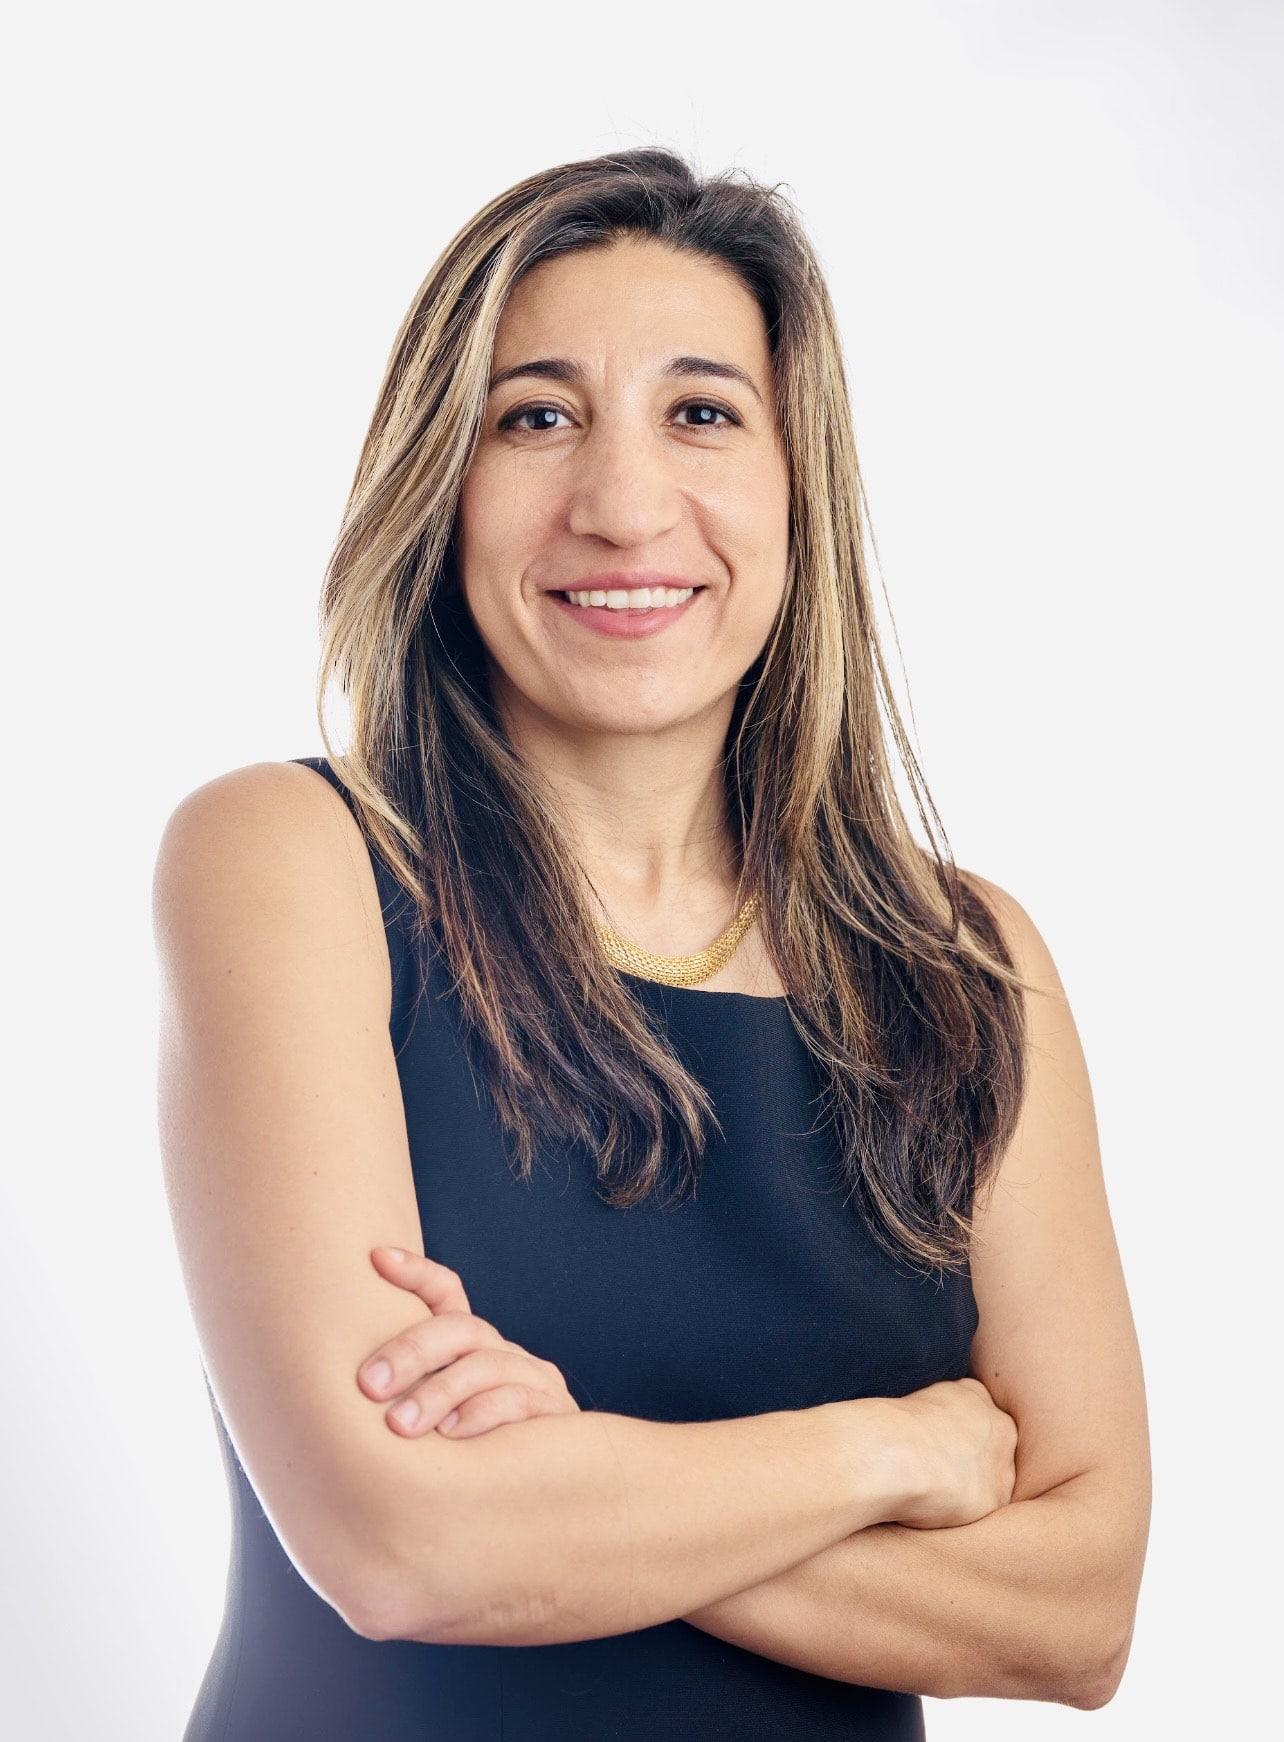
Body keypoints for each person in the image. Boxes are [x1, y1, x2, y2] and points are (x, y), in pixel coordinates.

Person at [153, 147, 1150, 1739]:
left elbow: (1079, 1613)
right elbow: (407, 1545)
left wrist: (575, 1475)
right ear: (441, 479)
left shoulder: (968, 968)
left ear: (793, 484)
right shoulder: (293, 863)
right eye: (536, 415)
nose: (622, 504)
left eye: (702, 413)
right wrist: (889, 1451)